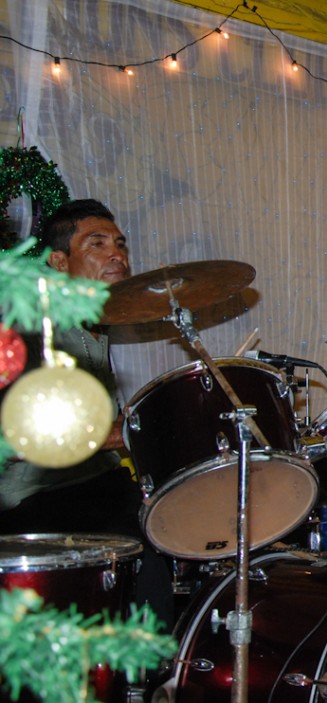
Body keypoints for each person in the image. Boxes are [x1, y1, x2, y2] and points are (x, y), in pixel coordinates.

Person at [0, 199, 173, 627]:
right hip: (36, 499)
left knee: (171, 526)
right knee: (147, 561)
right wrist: (127, 431)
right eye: (97, 244)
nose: (117, 255)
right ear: (59, 262)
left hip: (95, 481)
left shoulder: (94, 322)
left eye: (120, 244)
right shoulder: (31, 325)